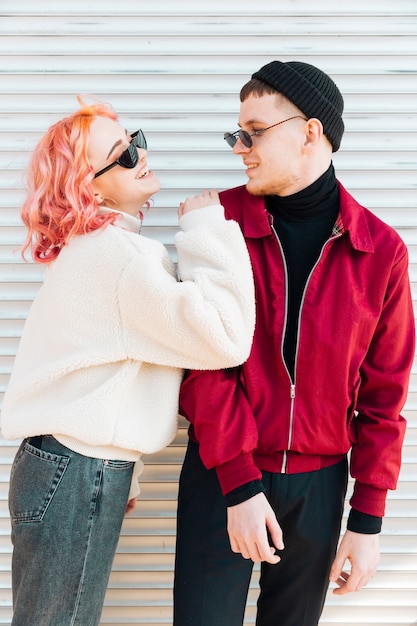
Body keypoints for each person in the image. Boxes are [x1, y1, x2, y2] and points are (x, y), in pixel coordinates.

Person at [173, 60, 415, 626]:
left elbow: (385, 398)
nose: (240, 148)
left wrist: (367, 521)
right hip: (221, 474)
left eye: (254, 132)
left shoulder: (380, 250)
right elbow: (203, 364)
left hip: (319, 486)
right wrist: (237, 486)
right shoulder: (220, 223)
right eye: (238, 134)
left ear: (310, 132)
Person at [0, 97, 256, 626]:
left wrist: (125, 469)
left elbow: (102, 366)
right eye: (122, 155)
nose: (140, 156)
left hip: (62, 465)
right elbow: (226, 338)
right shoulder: (119, 257)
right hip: (76, 469)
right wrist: (208, 226)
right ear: (88, 187)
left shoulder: (95, 250)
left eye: (135, 141)